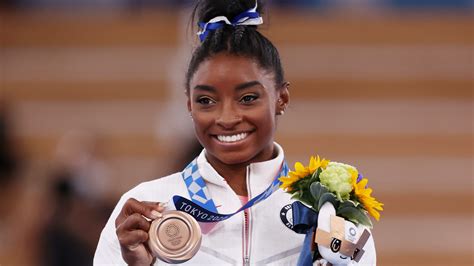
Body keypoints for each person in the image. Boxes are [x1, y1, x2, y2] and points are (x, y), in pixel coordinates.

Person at [94, 0, 376, 265]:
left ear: (282, 98)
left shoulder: (333, 208)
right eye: (206, 101)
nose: (226, 118)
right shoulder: (149, 208)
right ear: (189, 105)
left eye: (248, 98)